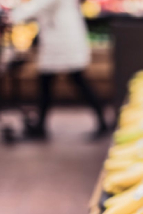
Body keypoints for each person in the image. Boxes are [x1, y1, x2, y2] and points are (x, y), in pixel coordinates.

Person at [9, 0, 108, 139]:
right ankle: (41, 125)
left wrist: (13, 15)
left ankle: (102, 120)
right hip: (59, 40)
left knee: (73, 80)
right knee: (48, 82)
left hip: (64, 41)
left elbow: (40, 5)